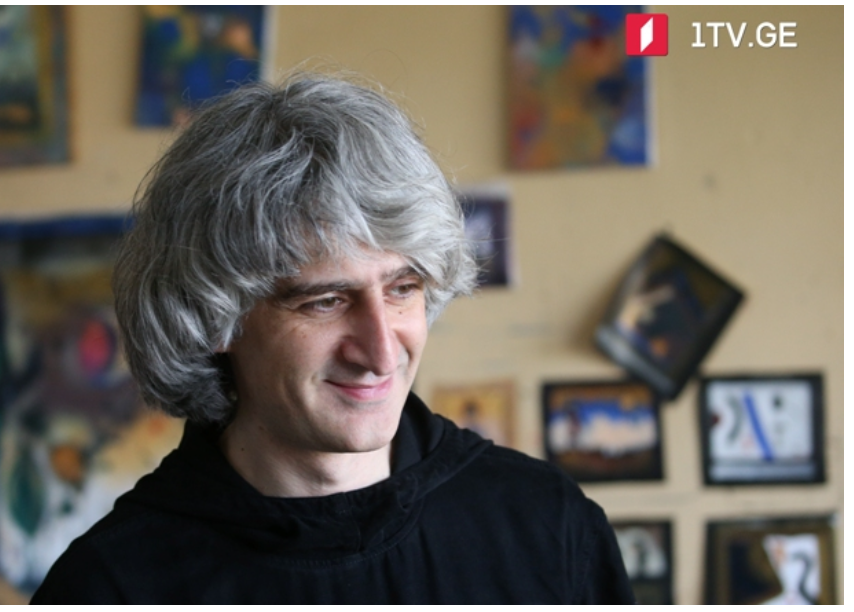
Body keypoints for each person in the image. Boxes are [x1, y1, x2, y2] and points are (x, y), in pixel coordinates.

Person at [31, 74, 634, 604]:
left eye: (402, 289)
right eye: (326, 301)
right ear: (215, 319)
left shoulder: (544, 526)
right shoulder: (114, 587)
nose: (380, 350)